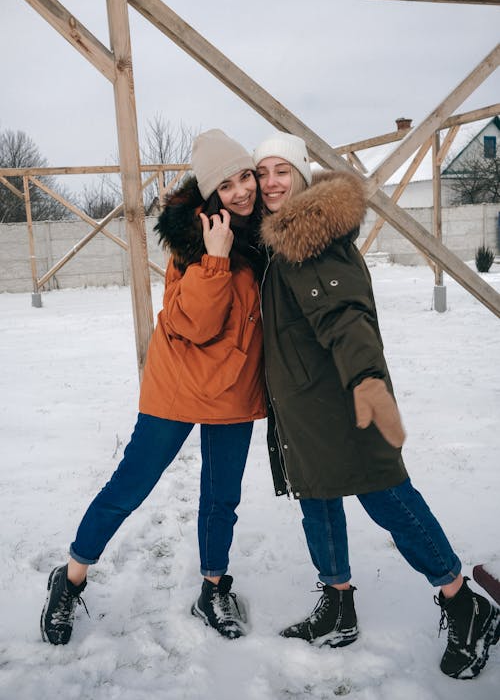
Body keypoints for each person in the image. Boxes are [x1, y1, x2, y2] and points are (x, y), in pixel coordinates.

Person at [253, 130, 500, 680]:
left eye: (281, 171)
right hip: (306, 410)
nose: (271, 182)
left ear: (299, 175)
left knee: (390, 499)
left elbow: (344, 317)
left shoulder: (306, 239)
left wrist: (366, 379)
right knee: (316, 499)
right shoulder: (280, 238)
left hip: (343, 404)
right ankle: (338, 605)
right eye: (262, 171)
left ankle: (465, 603)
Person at [40, 129, 266, 645]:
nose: (241, 190)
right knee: (131, 486)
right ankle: (70, 580)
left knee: (220, 497)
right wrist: (215, 258)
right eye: (226, 184)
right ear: (210, 193)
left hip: (233, 386)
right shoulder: (196, 239)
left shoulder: (262, 236)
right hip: (179, 384)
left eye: (245, 176)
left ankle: (213, 589)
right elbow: (194, 322)